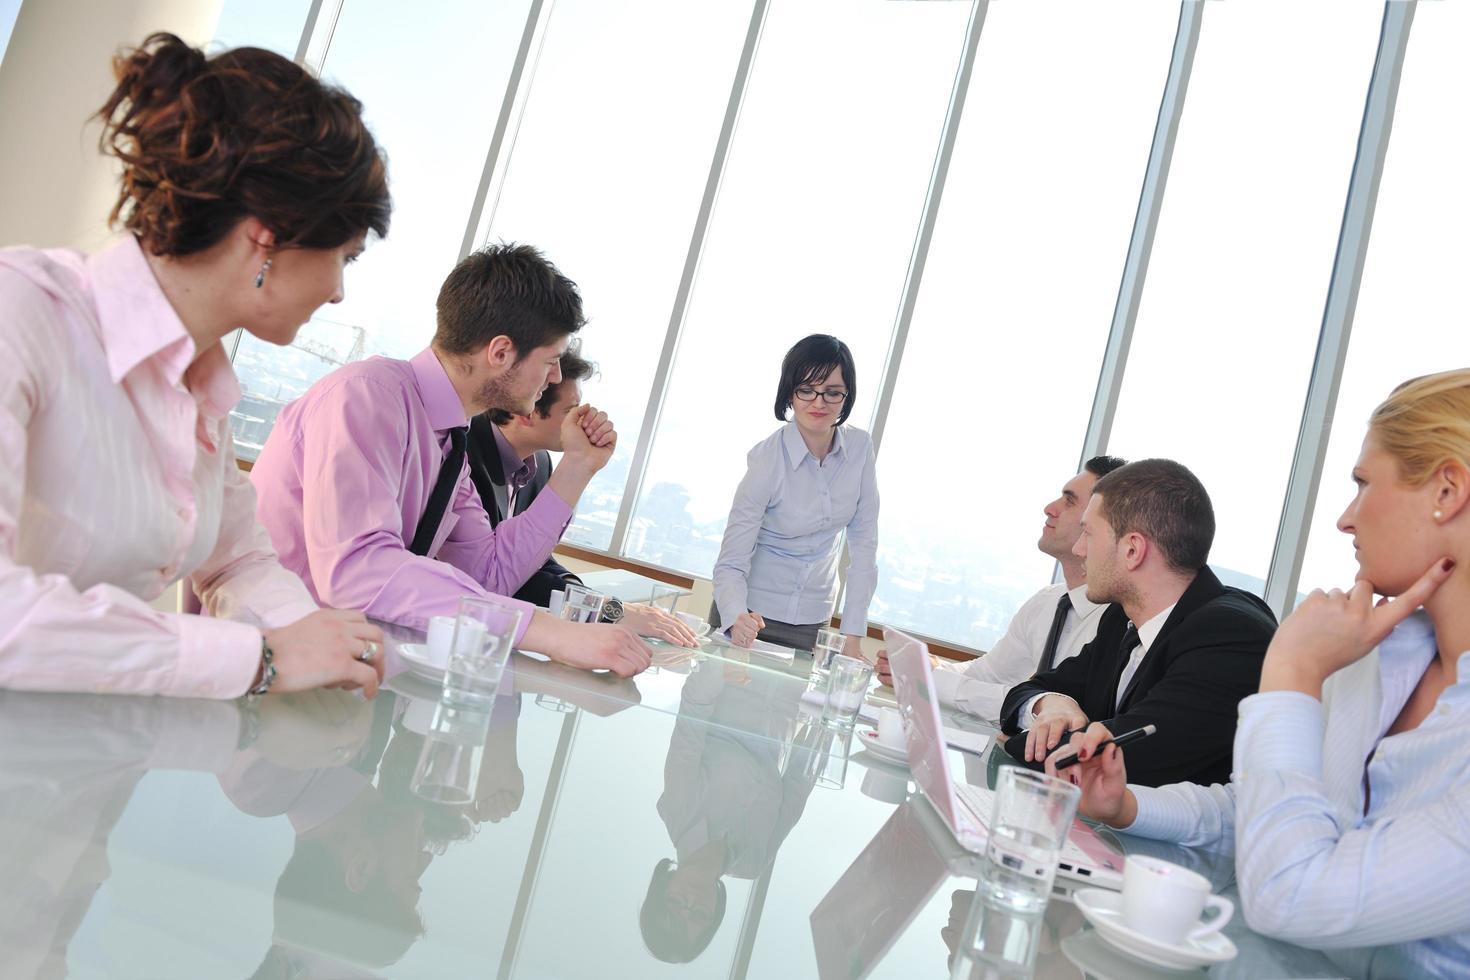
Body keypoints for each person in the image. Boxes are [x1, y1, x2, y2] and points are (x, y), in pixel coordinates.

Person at [0, 33, 390, 699]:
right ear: (268, 232)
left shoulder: (199, 386)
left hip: (81, 765)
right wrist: (261, 659)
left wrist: (322, 643)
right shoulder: (21, 314)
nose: (338, 292)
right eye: (345, 256)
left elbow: (237, 558)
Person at [1049, 371, 1470, 966]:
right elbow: (1272, 816)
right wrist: (1128, 806)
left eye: (1363, 484)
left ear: (1447, 491)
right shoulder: (1380, 657)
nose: (1345, 519)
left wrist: (1293, 674)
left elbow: (1291, 893)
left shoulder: (1318, 657)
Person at [252, 245, 658, 677]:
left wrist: (577, 467)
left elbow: (488, 574)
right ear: (501, 353)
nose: (556, 378)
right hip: (264, 669)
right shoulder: (368, 396)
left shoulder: (447, 441)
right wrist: (548, 632)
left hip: (339, 676)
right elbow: (357, 569)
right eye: (551, 362)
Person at [999, 459, 1276, 787]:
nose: (1078, 548)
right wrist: (1051, 704)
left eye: (1088, 533)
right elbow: (1025, 692)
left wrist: (1022, 741)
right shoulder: (1121, 617)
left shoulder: (1232, 636)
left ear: (1132, 550)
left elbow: (1117, 760)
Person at [465, 345, 696, 645]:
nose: (584, 420)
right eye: (570, 411)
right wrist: (609, 612)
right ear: (528, 411)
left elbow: (533, 562)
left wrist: (603, 605)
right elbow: (500, 576)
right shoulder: (468, 450)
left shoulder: (541, 463)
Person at [873, 456, 1127, 721]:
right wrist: (928, 668)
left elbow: (1033, 707)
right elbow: (989, 674)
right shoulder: (1046, 602)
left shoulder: (1115, 622)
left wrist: (932, 679)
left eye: (1069, 501)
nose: (1050, 508)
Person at [711, 335, 878, 657]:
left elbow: (864, 548)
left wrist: (852, 637)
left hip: (812, 621)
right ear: (790, 392)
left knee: (793, 707)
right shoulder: (767, 461)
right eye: (806, 390)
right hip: (750, 615)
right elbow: (731, 562)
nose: (819, 403)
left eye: (832, 392)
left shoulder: (860, 450)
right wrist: (735, 618)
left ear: (847, 396)